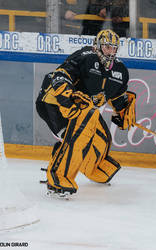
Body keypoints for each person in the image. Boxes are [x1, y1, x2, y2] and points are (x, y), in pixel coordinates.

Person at [35, 29, 136, 198]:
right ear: (97, 46)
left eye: (113, 48)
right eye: (106, 47)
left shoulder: (120, 71)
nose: (110, 51)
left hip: (84, 109)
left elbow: (118, 96)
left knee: (102, 139)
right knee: (75, 138)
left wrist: (123, 110)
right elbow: (60, 75)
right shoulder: (85, 56)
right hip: (53, 103)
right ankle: (58, 177)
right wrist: (68, 95)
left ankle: (94, 167)